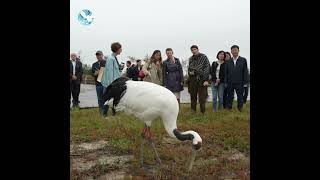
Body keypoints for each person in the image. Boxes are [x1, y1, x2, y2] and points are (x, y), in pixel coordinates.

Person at [101, 42, 123, 117]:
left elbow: (115, 71)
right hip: (110, 84)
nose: (121, 50)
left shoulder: (114, 58)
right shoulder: (111, 59)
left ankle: (113, 114)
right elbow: (110, 72)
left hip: (114, 83)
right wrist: (111, 85)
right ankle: (104, 115)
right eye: (120, 48)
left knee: (114, 99)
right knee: (108, 100)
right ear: (117, 49)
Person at [224, 45, 249, 112]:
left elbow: (245, 71)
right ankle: (229, 108)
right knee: (230, 96)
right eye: (233, 50)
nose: (234, 51)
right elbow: (226, 73)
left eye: (236, 50)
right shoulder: (228, 61)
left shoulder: (243, 60)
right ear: (231, 51)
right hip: (230, 82)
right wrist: (226, 82)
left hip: (240, 82)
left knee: (240, 96)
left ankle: (240, 108)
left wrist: (246, 82)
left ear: (238, 50)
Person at [187, 45, 210, 114]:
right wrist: (191, 72)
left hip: (202, 80)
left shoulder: (204, 57)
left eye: (195, 49)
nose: (193, 51)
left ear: (197, 49)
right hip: (193, 80)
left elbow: (207, 68)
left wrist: (206, 80)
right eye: (192, 50)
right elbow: (190, 69)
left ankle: (203, 112)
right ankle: (193, 111)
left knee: (202, 98)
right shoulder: (190, 59)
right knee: (193, 96)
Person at [91, 51, 107, 116]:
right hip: (98, 84)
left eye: (99, 55)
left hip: (105, 83)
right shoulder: (94, 64)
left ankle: (105, 112)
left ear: (102, 55)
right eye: (97, 55)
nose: (98, 56)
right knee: (100, 98)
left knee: (105, 98)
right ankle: (101, 111)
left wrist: (102, 72)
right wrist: (95, 73)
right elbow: (92, 73)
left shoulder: (106, 62)